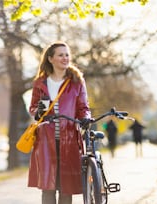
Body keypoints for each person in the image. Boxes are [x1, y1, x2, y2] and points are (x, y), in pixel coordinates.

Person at [28, 41, 91, 204]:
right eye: (60, 55)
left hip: (69, 138)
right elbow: (34, 108)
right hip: (45, 140)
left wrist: (84, 117)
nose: (65, 58)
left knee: (66, 188)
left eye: (67, 54)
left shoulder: (76, 81)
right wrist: (42, 112)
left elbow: (83, 106)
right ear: (50, 59)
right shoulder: (41, 82)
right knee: (47, 187)